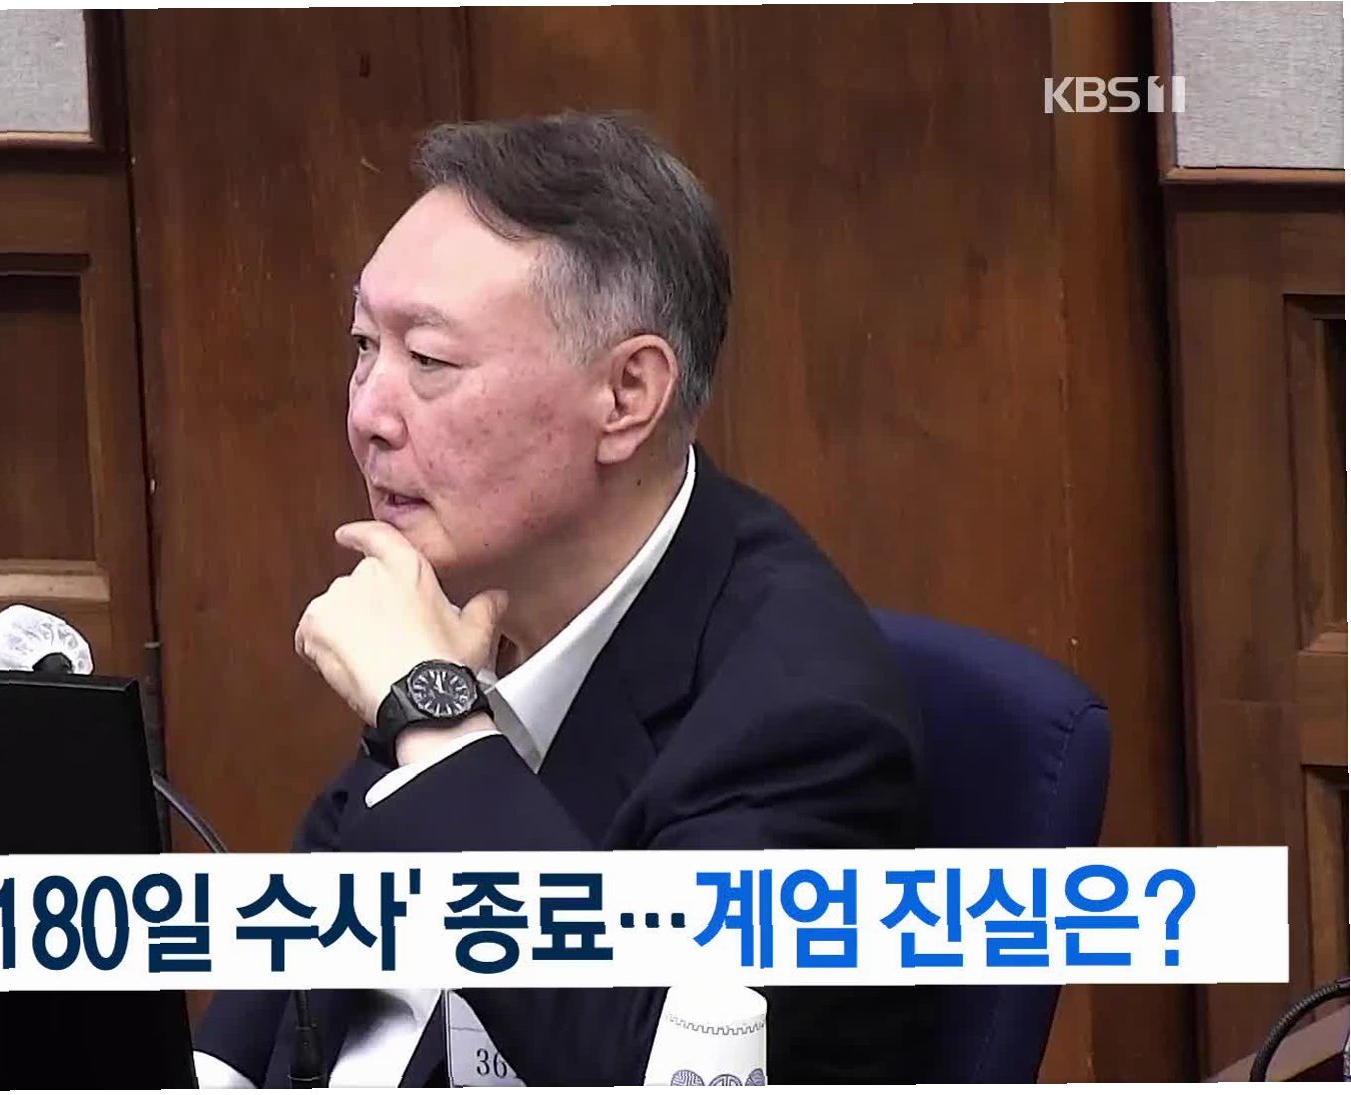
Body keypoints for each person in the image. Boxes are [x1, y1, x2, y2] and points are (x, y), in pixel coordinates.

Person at [192, 111, 928, 1087]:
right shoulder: (480, 592)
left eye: (429, 361)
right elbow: (286, 985)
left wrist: (436, 721)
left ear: (626, 395)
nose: (367, 412)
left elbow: (644, 1060)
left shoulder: (800, 725)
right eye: (364, 344)